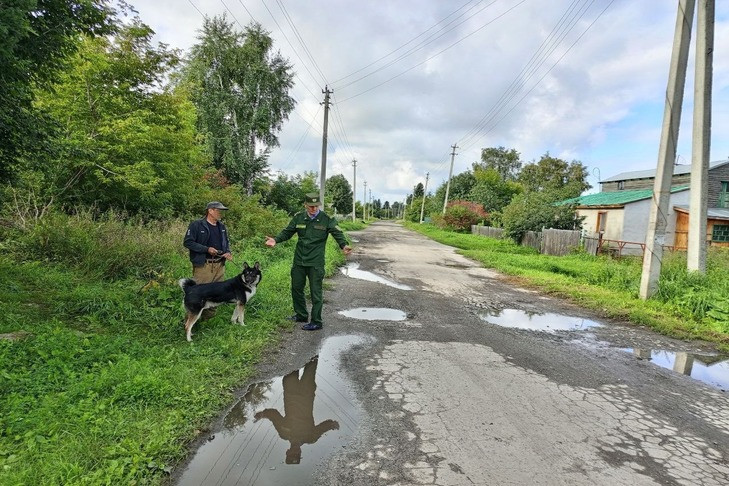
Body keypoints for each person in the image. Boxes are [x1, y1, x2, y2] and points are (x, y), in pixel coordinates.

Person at [265, 193, 352, 331]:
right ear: (305, 205)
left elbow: (337, 233)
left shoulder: (326, 219)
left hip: (315, 262)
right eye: (310, 206)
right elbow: (287, 232)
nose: (313, 209)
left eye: (316, 206)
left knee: (315, 292)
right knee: (296, 288)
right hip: (299, 260)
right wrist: (276, 240)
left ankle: (317, 321)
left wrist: (344, 245)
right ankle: (301, 315)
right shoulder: (299, 217)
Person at [254, 357, 339, 464]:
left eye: (292, 453)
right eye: (297, 454)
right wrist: (332, 425)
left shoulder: (283, 434)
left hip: (290, 391)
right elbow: (323, 427)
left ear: (287, 452)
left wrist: (263, 414)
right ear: (300, 453)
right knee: (311, 364)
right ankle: (313, 343)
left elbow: (274, 415)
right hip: (306, 393)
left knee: (292, 361)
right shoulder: (311, 438)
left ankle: (298, 345)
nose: (295, 451)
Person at [183, 201, 233, 316]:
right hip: (204, 265)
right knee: (198, 294)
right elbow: (188, 242)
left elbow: (226, 243)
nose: (221, 213)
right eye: (218, 210)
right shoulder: (196, 225)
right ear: (210, 211)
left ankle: (208, 321)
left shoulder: (222, 227)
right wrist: (207, 249)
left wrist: (228, 252)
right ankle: (191, 323)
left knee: (217, 294)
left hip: (219, 265)